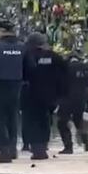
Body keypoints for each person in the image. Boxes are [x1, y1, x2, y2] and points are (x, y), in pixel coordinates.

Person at [0, 20, 32, 163]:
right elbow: (29, 67)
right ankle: (12, 149)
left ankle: (4, 150)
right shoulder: (22, 46)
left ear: (1, 30)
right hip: (16, 85)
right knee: (13, 117)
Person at [24, 32, 68, 160]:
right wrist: (61, 94)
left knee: (33, 121)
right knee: (45, 121)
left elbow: (24, 73)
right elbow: (65, 74)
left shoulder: (29, 56)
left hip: (32, 93)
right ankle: (43, 146)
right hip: (51, 95)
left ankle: (36, 148)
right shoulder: (55, 57)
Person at [57, 51, 88, 153]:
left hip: (67, 98)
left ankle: (68, 146)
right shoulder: (86, 68)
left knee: (62, 122)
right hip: (81, 98)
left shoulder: (65, 68)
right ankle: (85, 140)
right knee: (78, 120)